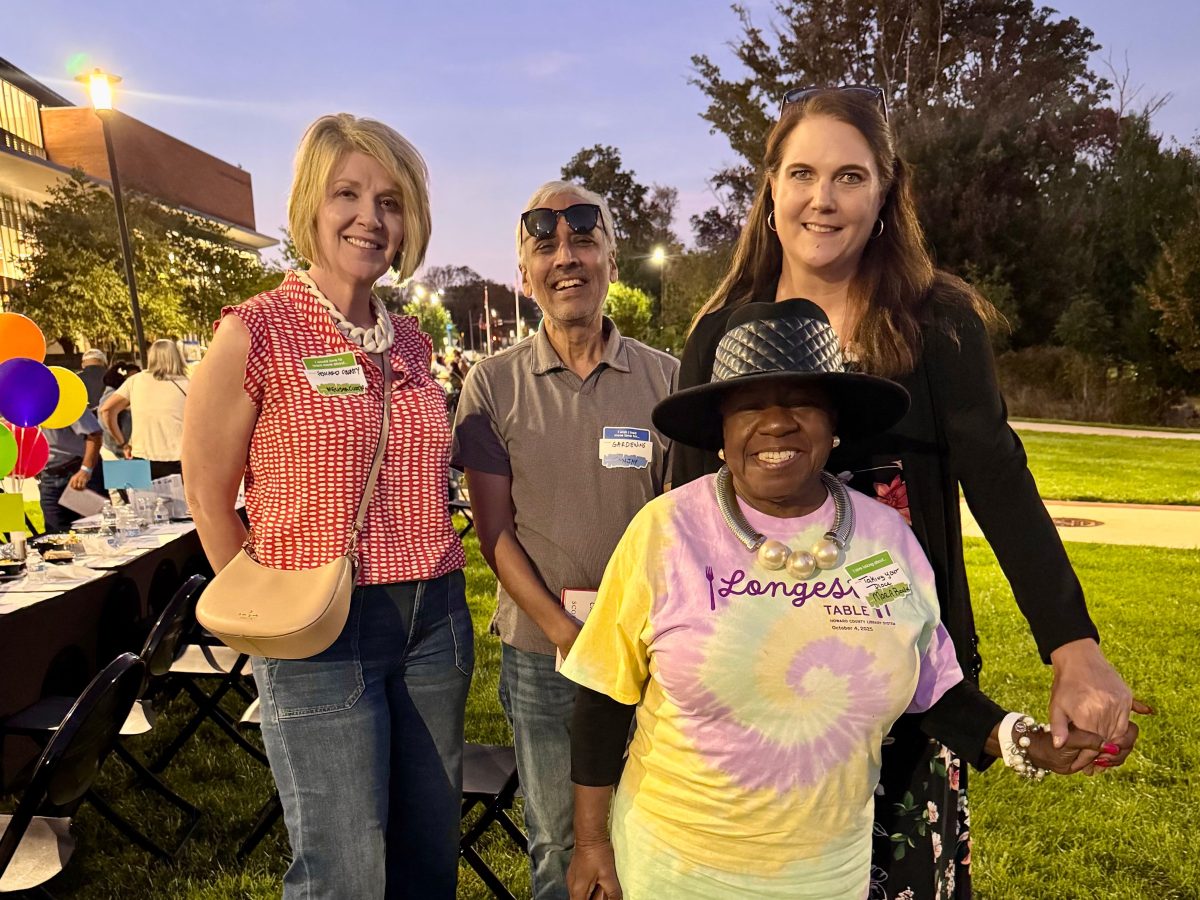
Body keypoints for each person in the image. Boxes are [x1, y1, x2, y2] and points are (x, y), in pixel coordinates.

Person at [670, 86, 1137, 898]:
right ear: (771, 188)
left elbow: (999, 479)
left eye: (850, 177)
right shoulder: (723, 332)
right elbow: (682, 521)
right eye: (803, 173)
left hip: (908, 688)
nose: (823, 198)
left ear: (886, 192)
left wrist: (1074, 647)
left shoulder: (939, 323)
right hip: (759, 694)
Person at [564, 300, 1142, 900]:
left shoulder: (885, 537)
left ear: (833, 426)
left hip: (828, 873)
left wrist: (1031, 743)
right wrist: (590, 844)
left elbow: (930, 687)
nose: (777, 422)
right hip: (675, 867)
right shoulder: (665, 532)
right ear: (720, 433)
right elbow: (603, 698)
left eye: (802, 402)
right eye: (750, 405)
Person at [182, 113, 471, 899]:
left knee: (427, 857)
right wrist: (266, 608)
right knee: (342, 869)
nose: (370, 218)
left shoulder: (409, 341)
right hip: (318, 627)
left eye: (391, 200)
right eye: (348, 193)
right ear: (311, 202)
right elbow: (208, 496)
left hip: (436, 617)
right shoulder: (257, 331)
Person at [452, 181, 678, 900]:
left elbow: (683, 527)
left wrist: (633, 635)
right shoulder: (490, 386)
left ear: (613, 258)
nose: (566, 257)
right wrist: (568, 633)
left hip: (652, 654)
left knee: (652, 831)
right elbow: (494, 536)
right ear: (524, 274)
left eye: (584, 238)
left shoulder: (668, 382)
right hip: (542, 657)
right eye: (544, 244)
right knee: (557, 843)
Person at [100, 339, 189, 480]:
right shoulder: (189, 384)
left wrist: (122, 443)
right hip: (180, 461)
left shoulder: (135, 380)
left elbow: (106, 410)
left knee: (138, 501)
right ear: (177, 357)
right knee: (182, 502)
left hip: (140, 457)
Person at [38, 410, 104, 533]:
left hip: (77, 472)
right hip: (49, 476)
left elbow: (94, 434)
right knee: (56, 532)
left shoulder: (67, 403)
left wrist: (86, 470)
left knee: (93, 528)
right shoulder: (23, 408)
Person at [97, 361, 140, 458]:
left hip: (119, 450)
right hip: (119, 452)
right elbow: (105, 414)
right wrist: (122, 443)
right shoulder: (114, 396)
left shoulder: (113, 394)